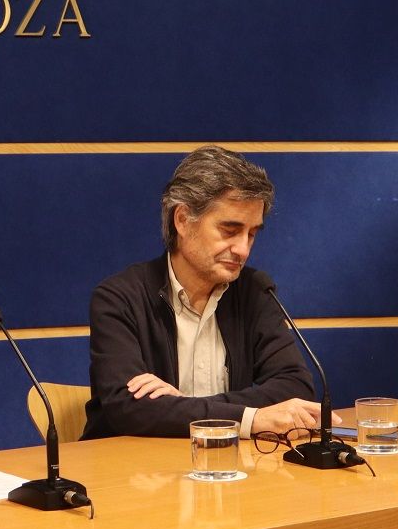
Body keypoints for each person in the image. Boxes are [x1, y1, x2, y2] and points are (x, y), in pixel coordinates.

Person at [84, 145, 319, 439]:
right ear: (182, 220)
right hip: (133, 472)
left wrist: (183, 407)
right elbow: (127, 409)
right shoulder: (119, 297)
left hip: (223, 468)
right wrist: (249, 418)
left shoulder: (254, 291)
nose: (243, 249)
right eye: (229, 230)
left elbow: (296, 387)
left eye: (252, 233)